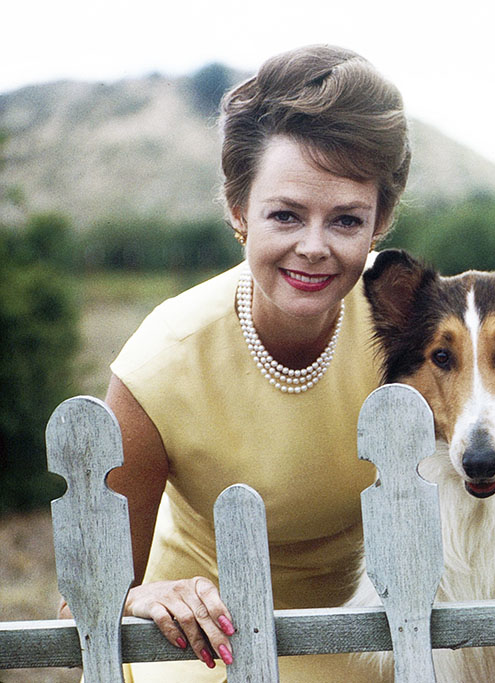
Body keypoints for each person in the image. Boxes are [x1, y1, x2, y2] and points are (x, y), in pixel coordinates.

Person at [59, 44, 411, 681]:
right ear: (238, 210)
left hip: (376, 636)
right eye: (285, 214)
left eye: (346, 220)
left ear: (379, 221)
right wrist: (140, 597)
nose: (314, 248)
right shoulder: (163, 363)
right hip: (205, 638)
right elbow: (79, 604)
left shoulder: (413, 332)